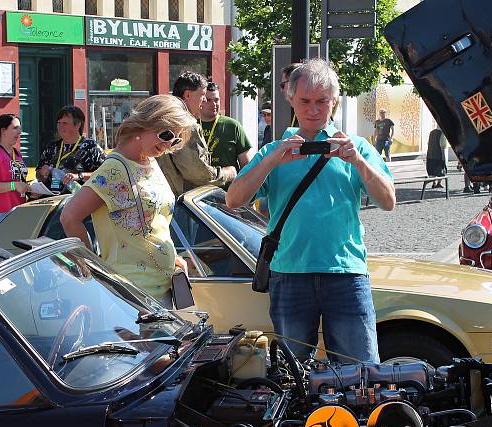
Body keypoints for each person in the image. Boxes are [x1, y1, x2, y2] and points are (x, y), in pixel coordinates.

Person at [227, 59, 396, 363]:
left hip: (345, 273)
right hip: (290, 274)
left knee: (360, 372)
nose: (313, 109)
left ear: (335, 101)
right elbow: (233, 200)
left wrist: (358, 162)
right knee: (293, 377)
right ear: (290, 98)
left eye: (322, 101)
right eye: (305, 100)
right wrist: (271, 161)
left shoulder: (356, 147)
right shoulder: (274, 151)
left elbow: (388, 201)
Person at [61, 95, 194, 307]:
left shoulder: (149, 160)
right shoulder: (114, 169)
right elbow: (69, 216)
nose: (168, 144)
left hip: (164, 287)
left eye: (175, 140)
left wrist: (172, 256)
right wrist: (92, 268)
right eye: (166, 134)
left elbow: (155, 221)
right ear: (145, 123)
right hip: (131, 294)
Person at [156, 71, 236, 196]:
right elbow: (199, 176)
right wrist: (228, 173)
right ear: (187, 95)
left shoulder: (162, 117)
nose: (204, 100)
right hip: (182, 205)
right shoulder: (186, 124)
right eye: (202, 95)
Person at [0, 114, 35, 231]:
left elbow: (19, 182)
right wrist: (14, 185)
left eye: (20, 128)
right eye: (15, 128)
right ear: (3, 130)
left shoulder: (16, 153)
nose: (19, 132)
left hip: (18, 212)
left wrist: (30, 188)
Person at [37, 105, 106, 193]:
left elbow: (105, 175)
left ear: (77, 125)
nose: (60, 126)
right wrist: (42, 174)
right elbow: (38, 175)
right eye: (58, 122)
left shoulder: (90, 147)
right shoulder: (52, 147)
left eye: (64, 123)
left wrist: (79, 176)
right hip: (52, 199)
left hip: (78, 201)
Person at [199, 82, 255, 178]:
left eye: (216, 100)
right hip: (198, 190)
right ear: (200, 101)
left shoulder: (232, 126)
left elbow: (248, 166)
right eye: (208, 100)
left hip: (227, 189)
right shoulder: (191, 125)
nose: (213, 104)